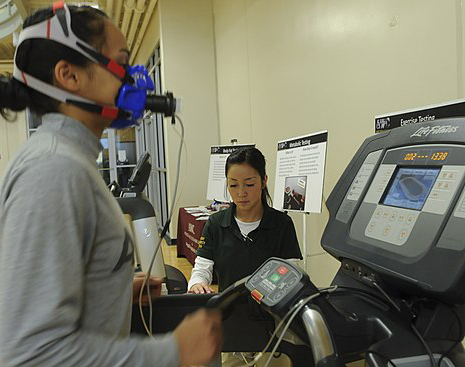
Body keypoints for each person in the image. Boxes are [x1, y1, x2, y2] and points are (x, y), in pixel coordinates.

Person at [0, 3, 221, 367]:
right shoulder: (53, 171)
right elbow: (30, 356)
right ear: (69, 75)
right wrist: (174, 352)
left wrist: (112, 291)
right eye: (121, 61)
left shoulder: (71, 161)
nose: (133, 77)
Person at [188, 147, 303, 294]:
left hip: (269, 312)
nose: (241, 193)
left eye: (249, 184)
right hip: (228, 310)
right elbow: (202, 268)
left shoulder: (281, 224)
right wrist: (197, 284)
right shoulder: (216, 224)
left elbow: (292, 273)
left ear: (263, 181)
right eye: (233, 185)